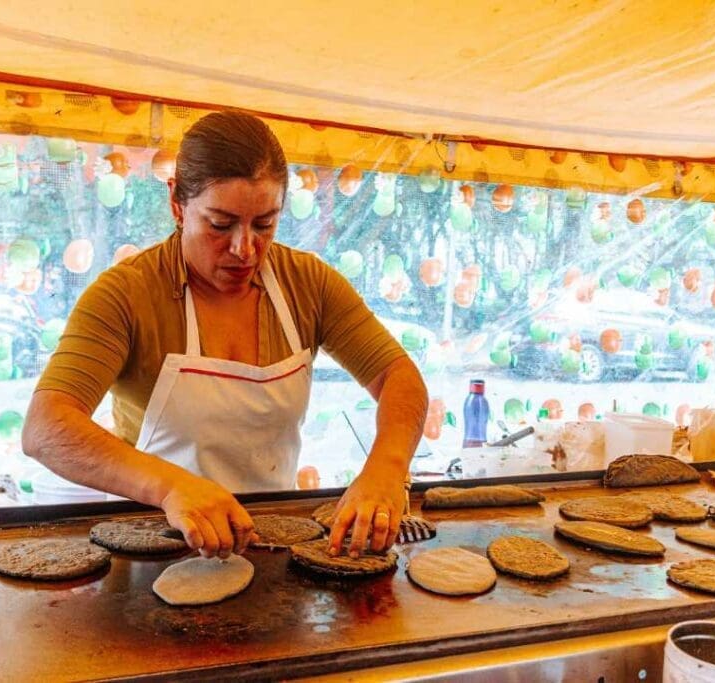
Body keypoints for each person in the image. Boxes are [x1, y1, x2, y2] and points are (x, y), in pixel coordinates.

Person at [23, 110, 428, 561]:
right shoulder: (126, 295)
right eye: (220, 224)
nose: (245, 249)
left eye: (264, 224)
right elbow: (47, 427)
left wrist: (387, 471)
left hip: (274, 546)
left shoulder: (308, 283)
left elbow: (399, 376)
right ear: (177, 205)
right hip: (154, 549)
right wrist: (173, 487)